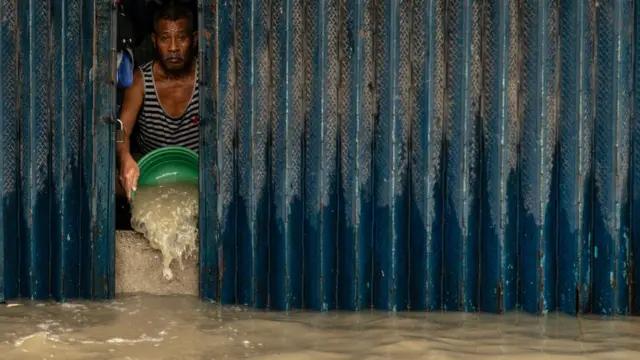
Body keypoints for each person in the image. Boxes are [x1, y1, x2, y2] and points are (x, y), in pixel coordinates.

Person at [117, 1, 199, 199]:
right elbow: (121, 129)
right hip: (152, 172)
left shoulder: (207, 79)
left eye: (181, 38)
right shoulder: (141, 80)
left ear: (194, 39)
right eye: (165, 38)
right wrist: (125, 158)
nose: (173, 47)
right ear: (154, 41)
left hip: (197, 172)